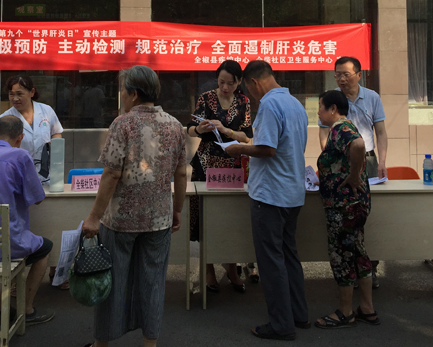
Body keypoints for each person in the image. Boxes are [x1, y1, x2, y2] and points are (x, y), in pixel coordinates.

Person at [82, 65, 188, 347]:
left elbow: (111, 174)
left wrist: (94, 217)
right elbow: (180, 173)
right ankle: (149, 343)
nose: (122, 95)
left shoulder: (123, 124)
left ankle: (102, 344)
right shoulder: (175, 125)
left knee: (112, 282)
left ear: (134, 94)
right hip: (159, 219)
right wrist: (177, 208)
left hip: (121, 221)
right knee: (153, 283)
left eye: (122, 90)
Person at [225, 61, 309, 341]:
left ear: (253, 83)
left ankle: (281, 324)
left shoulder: (270, 105)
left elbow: (267, 148)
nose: (249, 95)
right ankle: (298, 314)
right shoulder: (295, 104)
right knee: (289, 255)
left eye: (247, 89)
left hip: (271, 195)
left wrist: (240, 149)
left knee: (271, 261)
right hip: (292, 192)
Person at [0, 115, 54, 327]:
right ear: (20, 138)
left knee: (11, 247)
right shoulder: (20, 156)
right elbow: (38, 198)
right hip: (5, 245)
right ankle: (27, 310)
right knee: (43, 249)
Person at [318, 55, 387, 287]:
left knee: (364, 214)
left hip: (368, 159)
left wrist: (382, 161)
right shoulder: (332, 99)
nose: (341, 79)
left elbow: (381, 132)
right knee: (349, 218)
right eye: (337, 74)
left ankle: (369, 268)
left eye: (346, 74)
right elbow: (324, 133)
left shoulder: (372, 97)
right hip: (340, 162)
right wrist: (329, 160)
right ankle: (357, 272)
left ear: (359, 75)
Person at [187, 60, 253, 292]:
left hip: (231, 164)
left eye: (230, 83)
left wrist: (226, 130)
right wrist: (200, 129)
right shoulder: (206, 98)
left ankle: (232, 267)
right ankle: (208, 269)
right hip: (205, 165)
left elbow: (246, 137)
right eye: (221, 82)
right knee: (206, 217)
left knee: (229, 218)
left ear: (239, 82)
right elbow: (190, 129)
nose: (225, 87)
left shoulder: (243, 101)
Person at [314, 90, 379, 329]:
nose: (318, 112)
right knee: (359, 253)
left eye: (321, 107)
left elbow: (359, 145)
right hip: (355, 204)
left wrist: (353, 175)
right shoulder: (346, 126)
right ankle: (367, 308)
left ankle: (345, 312)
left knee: (342, 256)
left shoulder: (340, 128)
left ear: (333, 109)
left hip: (343, 206)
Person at [0, 75, 63, 183]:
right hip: (18, 176)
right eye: (11, 94)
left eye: (19, 94)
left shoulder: (46, 110)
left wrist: (54, 149)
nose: (15, 98)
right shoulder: (5, 118)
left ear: (32, 92)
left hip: (46, 174)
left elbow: (56, 133)